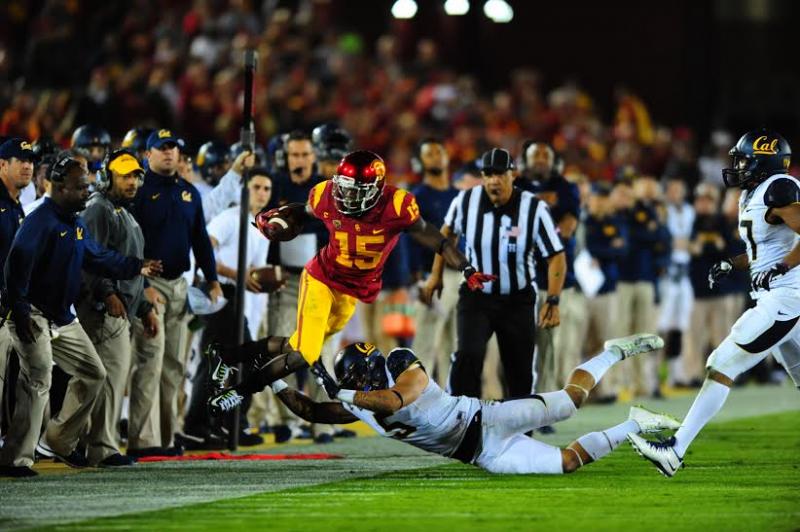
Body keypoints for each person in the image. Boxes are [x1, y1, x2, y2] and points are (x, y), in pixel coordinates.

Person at [206, 150, 493, 414]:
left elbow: (435, 239)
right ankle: (240, 391)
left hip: (352, 290)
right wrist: (276, 219)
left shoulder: (396, 205)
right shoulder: (328, 195)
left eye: (354, 191)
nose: (345, 196)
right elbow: (302, 212)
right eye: (342, 186)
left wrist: (466, 268)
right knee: (307, 352)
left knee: (299, 344)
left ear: (376, 189)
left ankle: (228, 356)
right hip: (322, 277)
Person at [629, 129, 800, 477]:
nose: (737, 166)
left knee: (721, 363)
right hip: (782, 296)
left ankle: (675, 449)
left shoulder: (779, 187)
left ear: (763, 162)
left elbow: (785, 251)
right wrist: (731, 264)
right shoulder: (754, 194)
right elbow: (763, 250)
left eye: (744, 160)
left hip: (785, 298)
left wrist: (782, 268)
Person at [272, 334, 676, 475]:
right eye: (358, 379)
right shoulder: (358, 401)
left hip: (486, 416)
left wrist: (340, 391)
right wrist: (273, 383)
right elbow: (311, 411)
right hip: (482, 454)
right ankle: (636, 425)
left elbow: (396, 400)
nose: (369, 376)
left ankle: (612, 354)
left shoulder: (399, 364)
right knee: (567, 463)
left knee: (572, 401)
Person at [0, 153, 160, 477]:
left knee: (94, 373)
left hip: (61, 314)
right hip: (32, 311)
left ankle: (59, 439)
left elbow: (97, 257)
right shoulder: (40, 221)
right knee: (38, 376)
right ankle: (15, 459)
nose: (86, 192)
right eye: (79, 187)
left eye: (87, 186)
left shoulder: (76, 222)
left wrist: (135, 266)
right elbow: (14, 268)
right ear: (58, 188)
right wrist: (19, 310)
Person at [436, 148, 566, 400]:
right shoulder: (464, 201)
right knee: (468, 355)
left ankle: (520, 432)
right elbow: (445, 237)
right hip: (477, 296)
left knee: (519, 369)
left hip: (518, 299)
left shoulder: (534, 207)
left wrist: (553, 299)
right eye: (489, 174)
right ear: (483, 176)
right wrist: (435, 277)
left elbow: (556, 255)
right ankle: (465, 424)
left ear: (513, 175)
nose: (494, 180)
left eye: (500, 174)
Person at [127, 129, 222, 456]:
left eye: (173, 149)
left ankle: (167, 438)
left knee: (174, 367)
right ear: (148, 154)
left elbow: (200, 237)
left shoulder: (188, 192)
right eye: (162, 149)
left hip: (180, 285)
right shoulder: (137, 190)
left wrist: (212, 278)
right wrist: (143, 284)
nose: (169, 154)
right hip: (149, 285)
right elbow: (128, 243)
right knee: (149, 362)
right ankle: (142, 439)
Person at [76, 149, 160, 467]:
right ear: (107, 176)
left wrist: (142, 309)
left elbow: (130, 271)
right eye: (124, 175)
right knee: (110, 378)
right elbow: (91, 257)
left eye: (136, 176)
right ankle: (101, 446)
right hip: (102, 309)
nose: (132, 182)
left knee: (108, 378)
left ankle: (83, 442)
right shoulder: (99, 209)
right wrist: (106, 293)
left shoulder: (121, 211)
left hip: (121, 308)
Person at [182, 169, 273, 448]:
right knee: (230, 361)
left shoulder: (258, 225)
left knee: (225, 363)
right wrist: (234, 274)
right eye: (256, 186)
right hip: (219, 295)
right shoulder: (230, 219)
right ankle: (208, 424)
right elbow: (202, 248)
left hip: (235, 300)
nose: (261, 193)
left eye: (267, 188)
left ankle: (220, 424)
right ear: (242, 190)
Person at [517, 142, 582, 406]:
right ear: (525, 160)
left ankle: (543, 404)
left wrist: (533, 235)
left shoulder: (564, 187)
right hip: (520, 279)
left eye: (546, 154)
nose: (542, 159)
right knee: (514, 345)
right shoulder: (515, 183)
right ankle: (514, 401)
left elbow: (567, 227)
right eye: (536, 155)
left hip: (551, 280)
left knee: (548, 347)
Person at [412, 138, 460, 384]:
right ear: (421, 161)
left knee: (455, 345)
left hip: (458, 276)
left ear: (447, 156)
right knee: (426, 343)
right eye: (428, 153)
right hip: (432, 275)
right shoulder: (417, 196)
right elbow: (410, 239)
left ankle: (451, 401)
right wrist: (417, 278)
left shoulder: (458, 195)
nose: (435, 157)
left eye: (439, 151)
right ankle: (418, 399)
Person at [0, 138, 35, 437]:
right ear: (1, 164)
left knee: (12, 378)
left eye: (30, 160)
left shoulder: (16, 207)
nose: (27, 166)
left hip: (13, 307)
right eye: (19, 160)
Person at [658, 176, 695, 386]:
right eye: (672, 190)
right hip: (667, 274)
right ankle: (654, 373)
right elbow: (671, 241)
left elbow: (690, 242)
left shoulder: (689, 211)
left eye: (679, 190)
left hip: (684, 274)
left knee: (680, 325)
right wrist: (681, 243)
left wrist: (685, 244)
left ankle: (676, 373)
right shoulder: (663, 211)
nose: (676, 194)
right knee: (661, 325)